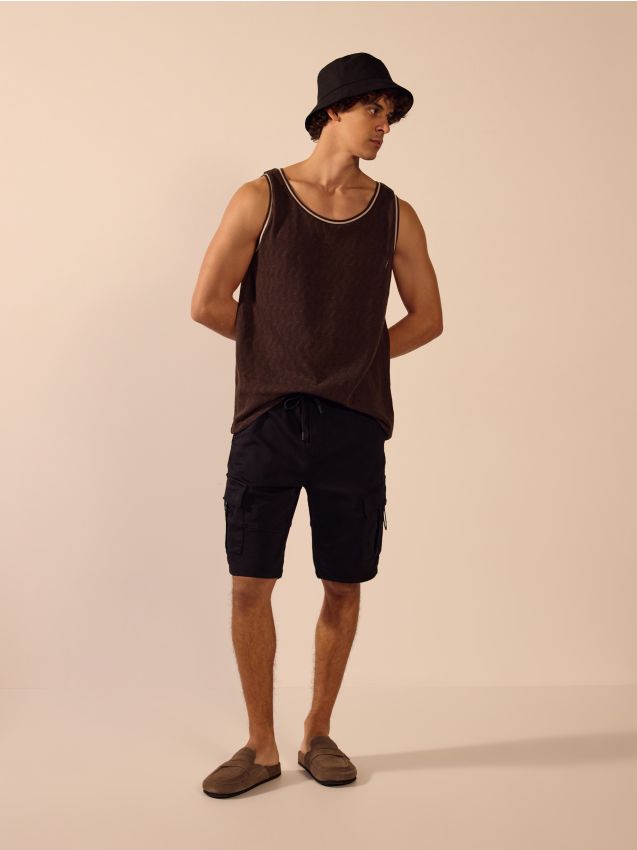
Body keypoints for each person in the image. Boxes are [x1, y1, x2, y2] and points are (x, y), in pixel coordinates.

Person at [191, 53, 443, 798]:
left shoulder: (394, 213)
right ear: (333, 110)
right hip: (267, 419)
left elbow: (428, 318)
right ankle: (261, 745)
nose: (384, 125)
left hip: (353, 425)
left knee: (343, 582)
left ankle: (317, 733)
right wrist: (283, 356)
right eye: (373, 110)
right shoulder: (261, 198)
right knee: (250, 582)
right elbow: (207, 302)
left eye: (391, 115)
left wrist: (351, 363)